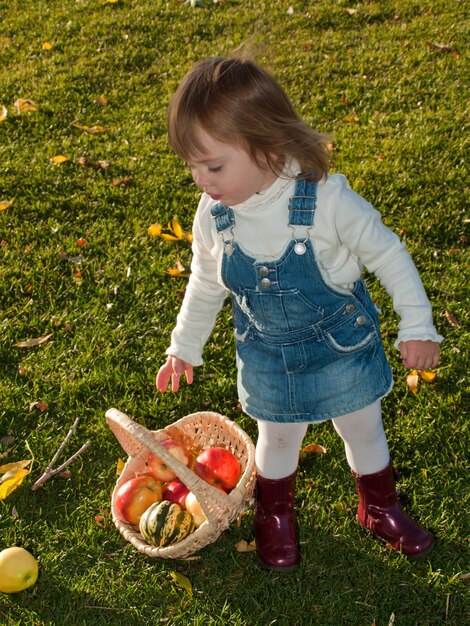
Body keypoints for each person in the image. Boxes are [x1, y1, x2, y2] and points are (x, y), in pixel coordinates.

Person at [156, 56, 442, 571]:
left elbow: (389, 255)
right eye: (192, 167)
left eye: (213, 166)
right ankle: (275, 516)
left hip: (340, 350)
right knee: (279, 436)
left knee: (361, 426)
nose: (201, 180)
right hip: (268, 355)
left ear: (268, 147)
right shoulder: (215, 217)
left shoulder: (327, 201)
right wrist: (184, 345)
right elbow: (204, 281)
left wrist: (417, 324)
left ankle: (378, 506)